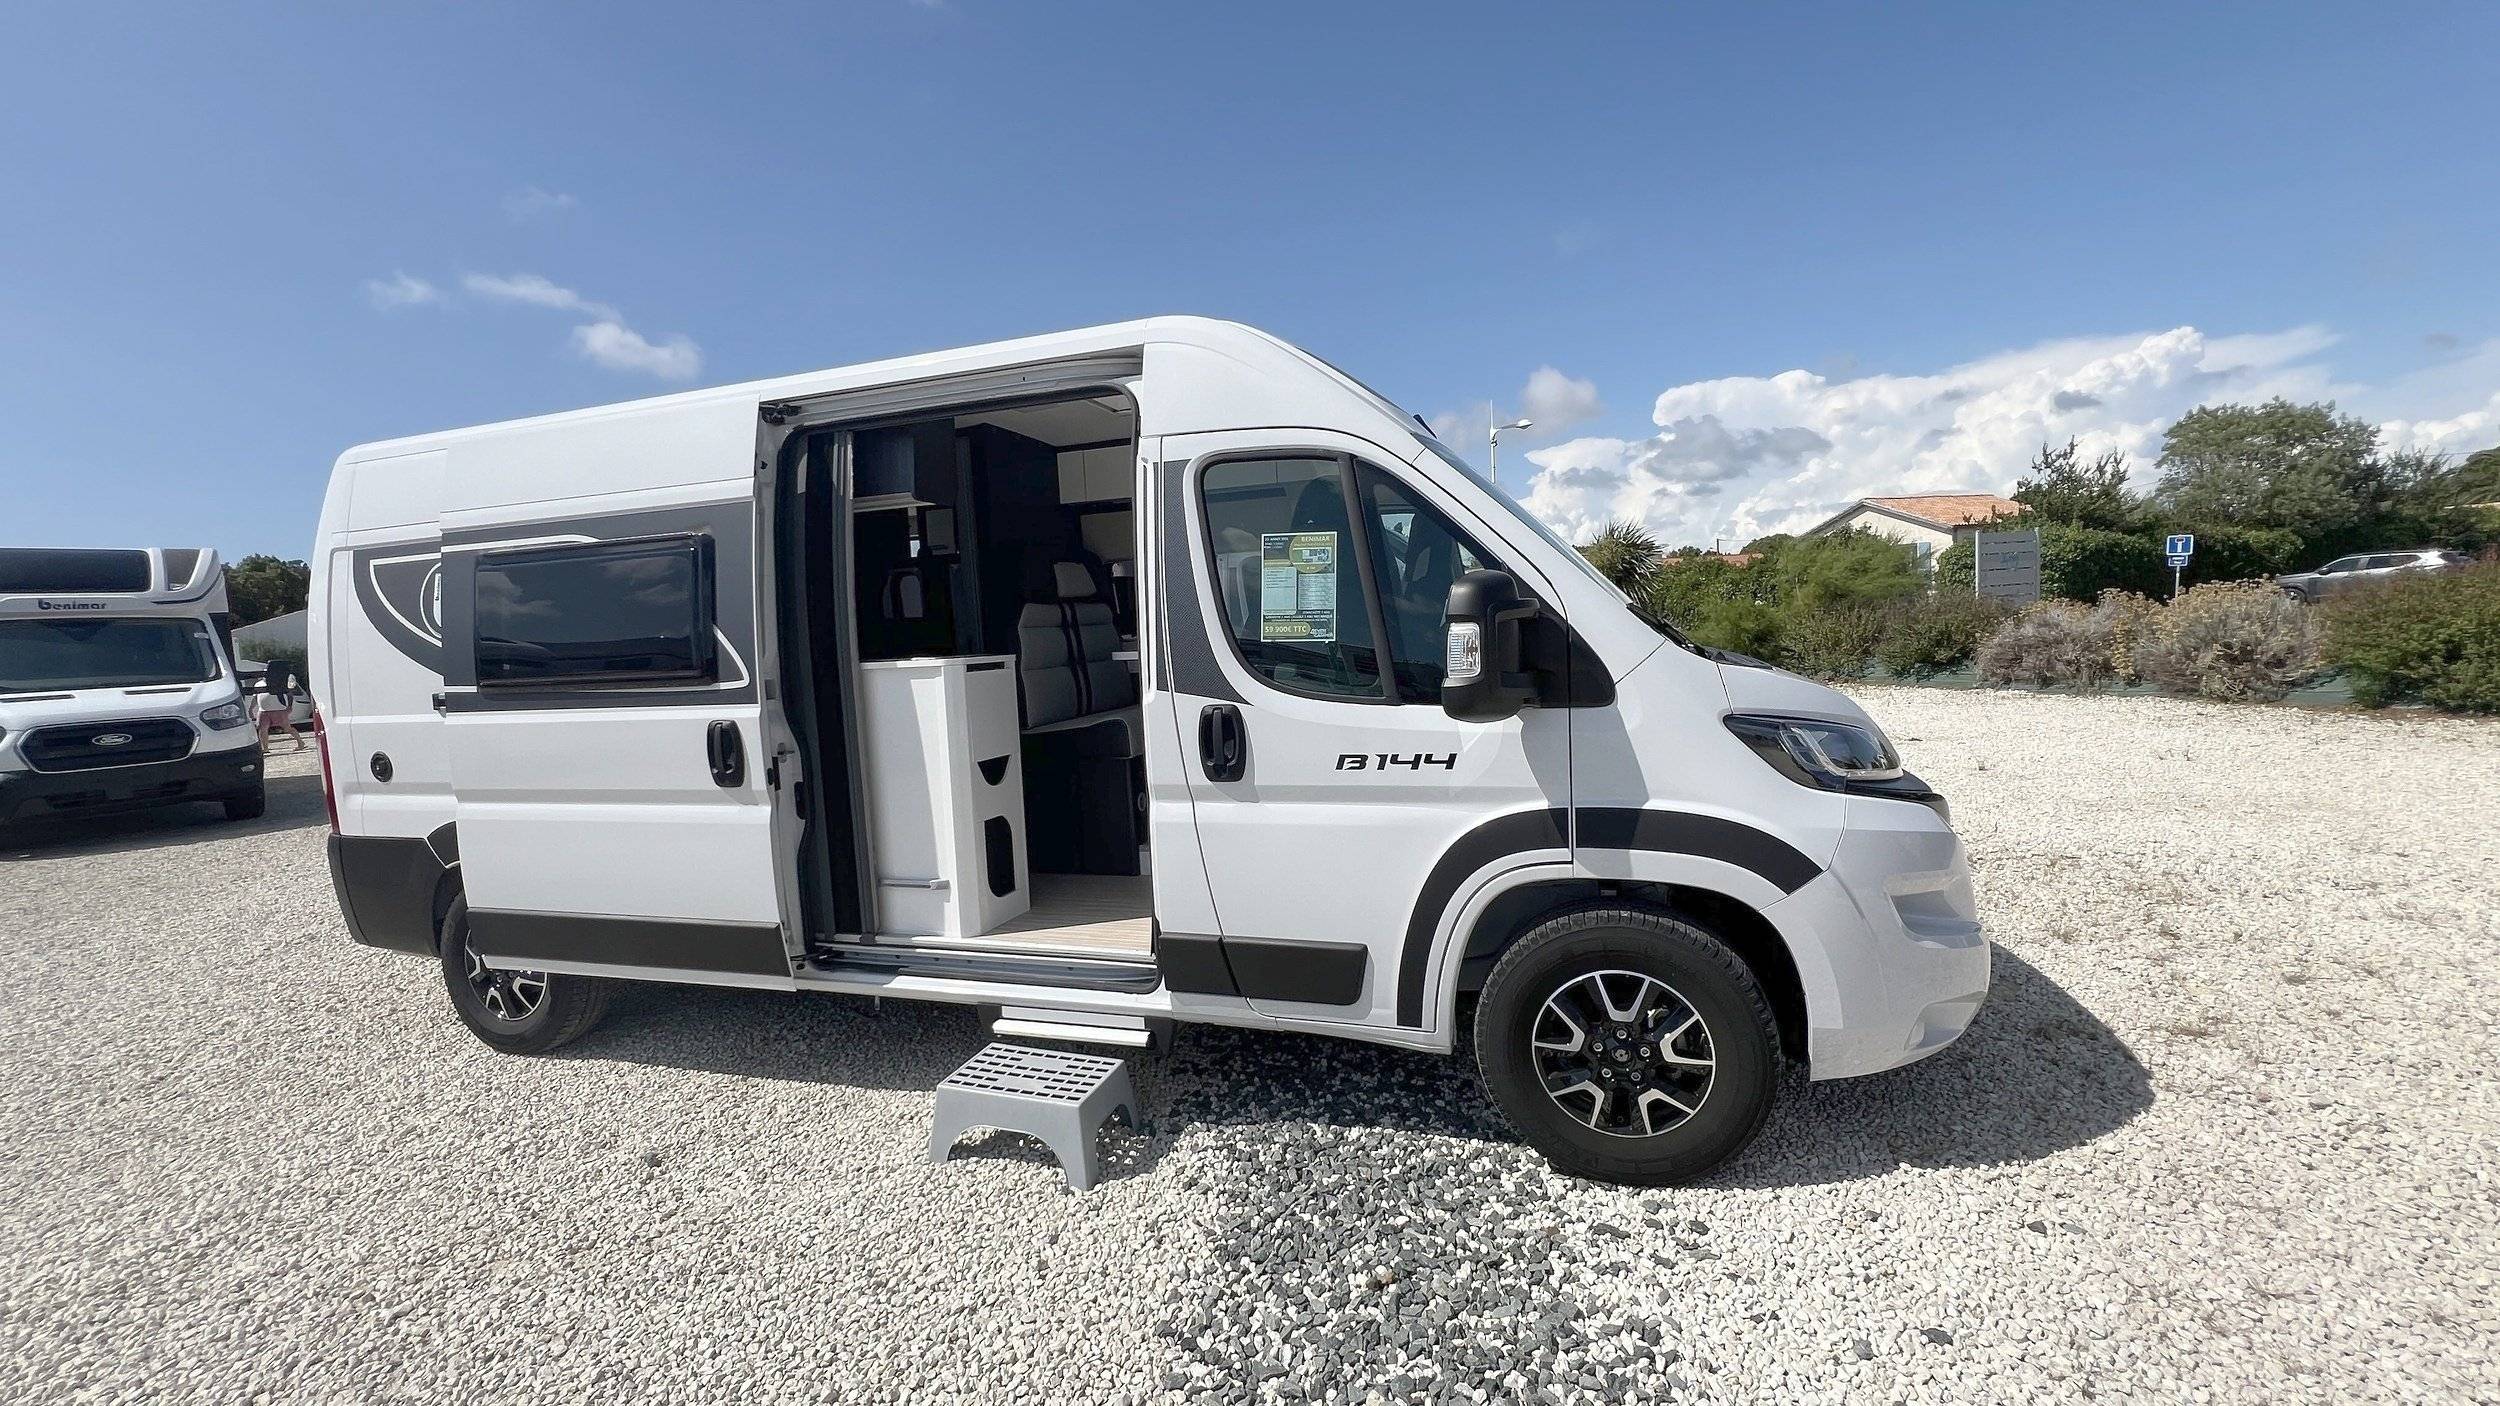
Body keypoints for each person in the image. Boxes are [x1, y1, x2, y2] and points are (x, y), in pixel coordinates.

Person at [252, 660, 305, 754]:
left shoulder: (280, 683)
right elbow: (255, 698)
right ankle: (265, 748)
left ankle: (300, 742)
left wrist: (289, 706)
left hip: (279, 709)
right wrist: (251, 708)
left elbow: (289, 695)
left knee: (287, 728)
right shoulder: (258, 684)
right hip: (263, 711)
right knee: (262, 728)